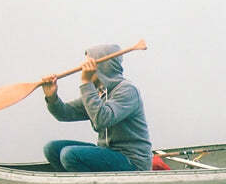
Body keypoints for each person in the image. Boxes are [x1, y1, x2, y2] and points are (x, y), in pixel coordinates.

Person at [42, 44, 153, 172]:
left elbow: (103, 119)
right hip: (108, 152)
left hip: (132, 161)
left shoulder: (127, 90)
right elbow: (65, 113)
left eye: (89, 63)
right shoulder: (99, 92)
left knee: (69, 155)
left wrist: (86, 84)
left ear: (102, 66)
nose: (83, 68)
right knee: (51, 149)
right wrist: (52, 97)